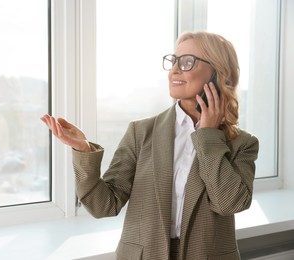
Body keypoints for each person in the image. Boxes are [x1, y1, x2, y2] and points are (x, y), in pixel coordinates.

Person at [41, 31, 259, 260]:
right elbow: (103, 205)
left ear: (217, 72)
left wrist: (208, 135)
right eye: (174, 61)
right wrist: (84, 150)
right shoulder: (141, 132)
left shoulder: (243, 144)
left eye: (187, 62)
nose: (174, 70)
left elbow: (229, 204)